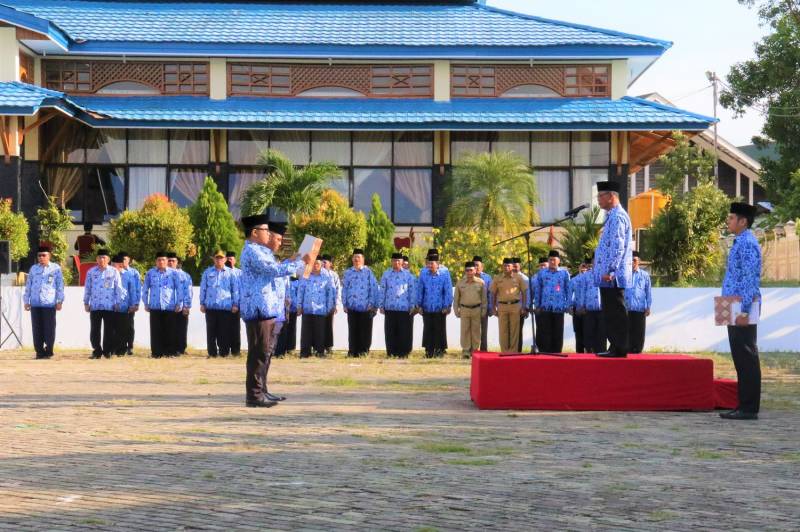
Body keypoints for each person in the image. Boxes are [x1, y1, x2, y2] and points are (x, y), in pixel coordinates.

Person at [239, 214, 307, 407]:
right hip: (258, 309)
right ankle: (254, 396)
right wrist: (301, 262)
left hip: (266, 309)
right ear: (254, 232)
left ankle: (260, 392)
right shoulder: (253, 251)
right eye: (265, 230)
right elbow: (274, 271)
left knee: (262, 353)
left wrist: (294, 262)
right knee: (258, 354)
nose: (268, 234)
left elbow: (275, 270)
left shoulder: (260, 251)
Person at [720, 202, 762, 421]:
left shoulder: (747, 243)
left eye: (731, 218)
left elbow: (749, 278)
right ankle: (743, 404)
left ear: (743, 221)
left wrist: (744, 309)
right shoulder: (740, 241)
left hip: (741, 305)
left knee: (746, 355)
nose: (728, 221)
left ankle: (749, 407)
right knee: (739, 356)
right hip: (733, 303)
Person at [593, 181, 633, 358]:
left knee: (616, 311)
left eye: (600, 196)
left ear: (611, 196)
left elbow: (618, 246)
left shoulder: (617, 217)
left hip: (613, 276)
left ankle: (620, 347)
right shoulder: (611, 216)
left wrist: (610, 271)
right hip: (608, 275)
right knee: (610, 311)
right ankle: (615, 346)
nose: (598, 200)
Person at [23, 245, 64, 359]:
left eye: (43, 255)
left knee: (49, 328)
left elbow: (60, 286)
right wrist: (26, 300)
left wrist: (60, 301)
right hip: (35, 303)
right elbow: (28, 286)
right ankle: (39, 351)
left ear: (49, 256)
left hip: (49, 303)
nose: (41, 257)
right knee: (36, 329)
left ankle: (49, 350)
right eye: (39, 255)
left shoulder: (55, 269)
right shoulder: (33, 269)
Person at [83, 249, 125, 359]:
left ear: (108, 259)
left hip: (110, 305)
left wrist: (118, 302)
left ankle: (108, 351)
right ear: (96, 259)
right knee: (95, 330)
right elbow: (88, 288)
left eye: (104, 258)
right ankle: (96, 350)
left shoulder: (114, 271)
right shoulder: (91, 272)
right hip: (95, 305)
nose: (102, 260)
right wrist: (86, 302)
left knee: (109, 330)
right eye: (100, 257)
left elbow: (118, 288)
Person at [199, 251, 240, 358]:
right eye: (217, 258)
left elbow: (235, 290)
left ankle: (224, 352)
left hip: (225, 307)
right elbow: (203, 289)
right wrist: (202, 303)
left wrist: (235, 304)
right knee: (211, 331)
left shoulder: (231, 273)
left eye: (221, 258)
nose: (219, 260)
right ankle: (212, 353)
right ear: (213, 259)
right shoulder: (207, 273)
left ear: (225, 259)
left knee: (224, 331)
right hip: (211, 307)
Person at [142, 251, 182, 358]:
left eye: (163, 260)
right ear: (156, 261)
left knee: (170, 330)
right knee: (155, 331)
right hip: (155, 306)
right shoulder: (150, 273)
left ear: (167, 261)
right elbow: (145, 288)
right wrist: (146, 302)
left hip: (169, 306)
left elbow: (179, 289)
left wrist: (179, 303)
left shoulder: (174, 273)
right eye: (159, 260)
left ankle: (169, 352)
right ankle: (156, 353)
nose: (161, 262)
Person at [341, 248, 380, 357]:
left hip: (365, 307)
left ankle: (364, 352)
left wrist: (372, 304)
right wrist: (344, 304)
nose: (356, 259)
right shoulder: (348, 272)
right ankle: (352, 351)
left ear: (363, 259)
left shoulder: (368, 272)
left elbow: (373, 288)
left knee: (365, 331)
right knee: (353, 330)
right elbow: (344, 288)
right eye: (354, 257)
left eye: (358, 257)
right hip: (352, 307)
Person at [379, 253, 418, 357]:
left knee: (404, 332)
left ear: (402, 262)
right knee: (390, 332)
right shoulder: (386, 274)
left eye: (398, 261)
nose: (396, 263)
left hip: (404, 308)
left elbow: (412, 291)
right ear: (391, 261)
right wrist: (381, 305)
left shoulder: (408, 275)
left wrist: (412, 305)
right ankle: (391, 352)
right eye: (394, 260)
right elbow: (382, 290)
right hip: (390, 308)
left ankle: (403, 353)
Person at [533, 250, 571, 353]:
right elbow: (538, 289)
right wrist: (537, 304)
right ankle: (546, 353)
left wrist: (568, 305)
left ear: (559, 261)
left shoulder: (564, 273)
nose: (552, 262)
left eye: (554, 260)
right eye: (550, 260)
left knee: (558, 332)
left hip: (559, 308)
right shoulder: (542, 273)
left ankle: (557, 353)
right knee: (545, 332)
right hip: (545, 307)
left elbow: (568, 289)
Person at [297, 258, 336, 358]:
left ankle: (320, 352)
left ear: (322, 264)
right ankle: (305, 352)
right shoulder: (306, 275)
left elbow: (330, 293)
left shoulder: (326, 276)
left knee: (320, 332)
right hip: (307, 308)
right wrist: (299, 306)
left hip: (320, 309)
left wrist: (329, 307)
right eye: (313, 263)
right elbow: (301, 291)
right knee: (306, 332)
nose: (315, 265)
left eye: (317, 263)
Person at [417, 249, 453, 358]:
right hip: (427, 307)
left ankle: (439, 351)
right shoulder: (423, 272)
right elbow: (420, 289)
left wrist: (447, 305)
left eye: (432, 263)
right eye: (429, 263)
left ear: (437, 264)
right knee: (428, 329)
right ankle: (429, 351)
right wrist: (419, 305)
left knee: (440, 329)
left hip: (439, 308)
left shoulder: (444, 272)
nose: (430, 265)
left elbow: (448, 290)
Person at [491, 258, 527, 353]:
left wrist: (523, 307)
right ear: (502, 267)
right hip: (502, 307)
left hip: (515, 306)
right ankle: (504, 351)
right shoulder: (497, 278)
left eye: (508, 266)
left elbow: (524, 292)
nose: (506, 267)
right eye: (505, 266)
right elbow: (493, 293)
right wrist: (493, 307)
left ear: (512, 267)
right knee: (503, 331)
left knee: (514, 330)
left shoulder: (519, 278)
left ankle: (513, 351)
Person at [454, 261, 486, 356]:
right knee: (465, 331)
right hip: (464, 309)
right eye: (467, 270)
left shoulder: (481, 283)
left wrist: (483, 310)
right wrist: (456, 310)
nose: (469, 272)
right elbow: (456, 299)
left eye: (471, 270)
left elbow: (484, 298)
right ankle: (466, 351)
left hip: (476, 309)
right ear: (465, 271)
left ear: (475, 270)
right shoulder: (460, 283)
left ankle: (475, 350)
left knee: (476, 331)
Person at [575, 256, 606, 354]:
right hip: (589, 310)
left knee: (601, 335)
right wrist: (581, 305)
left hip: (602, 310)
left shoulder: (606, 275)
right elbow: (583, 291)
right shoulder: (586, 276)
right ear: (593, 262)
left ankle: (601, 354)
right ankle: (589, 354)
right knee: (589, 335)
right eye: (595, 260)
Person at [625, 251, 652, 354]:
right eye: (631, 260)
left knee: (639, 333)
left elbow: (648, 292)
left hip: (639, 310)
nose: (633, 262)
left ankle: (638, 353)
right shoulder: (625, 275)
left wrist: (648, 306)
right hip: (627, 309)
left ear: (639, 262)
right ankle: (628, 352)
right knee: (627, 333)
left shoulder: (644, 275)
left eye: (635, 260)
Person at [111, 254, 137, 356]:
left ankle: (122, 350)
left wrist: (133, 304)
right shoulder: (110, 274)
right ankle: (112, 348)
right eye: (112, 264)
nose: (112, 266)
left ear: (120, 264)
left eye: (114, 264)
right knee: (112, 329)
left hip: (124, 306)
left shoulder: (129, 275)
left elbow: (132, 291)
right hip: (111, 307)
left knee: (123, 329)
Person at [168, 253, 192, 356]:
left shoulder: (185, 276)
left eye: (173, 261)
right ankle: (170, 349)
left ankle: (181, 349)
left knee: (181, 328)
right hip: (168, 307)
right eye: (169, 260)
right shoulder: (165, 275)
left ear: (177, 263)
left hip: (182, 307)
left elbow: (189, 291)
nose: (170, 263)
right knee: (170, 329)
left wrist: (187, 306)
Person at [120, 252, 140, 355]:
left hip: (130, 304)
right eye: (121, 259)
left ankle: (130, 346)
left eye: (124, 259)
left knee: (129, 326)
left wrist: (136, 304)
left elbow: (137, 289)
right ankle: (120, 347)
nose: (122, 261)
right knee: (118, 326)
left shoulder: (134, 273)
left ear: (129, 260)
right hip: (118, 305)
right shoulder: (116, 271)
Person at [568, 259, 590, 353]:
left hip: (589, 311)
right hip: (577, 311)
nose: (584, 269)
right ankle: (579, 355)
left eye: (586, 267)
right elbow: (569, 295)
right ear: (579, 268)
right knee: (578, 334)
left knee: (589, 334)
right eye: (582, 266)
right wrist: (570, 306)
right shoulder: (574, 280)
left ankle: (589, 354)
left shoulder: (592, 280)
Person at [473, 256, 493, 352]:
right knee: (473, 330)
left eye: (477, 265)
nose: (475, 267)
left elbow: (490, 294)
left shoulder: (487, 278)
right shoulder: (468, 277)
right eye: (474, 265)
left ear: (482, 266)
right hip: (472, 308)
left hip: (483, 308)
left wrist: (490, 308)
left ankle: (484, 349)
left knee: (483, 330)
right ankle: (473, 349)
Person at [321, 254, 340, 354]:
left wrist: (336, 305)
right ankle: (318, 346)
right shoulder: (316, 273)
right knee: (319, 326)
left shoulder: (334, 275)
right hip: (319, 306)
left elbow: (338, 291)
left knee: (329, 326)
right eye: (322, 262)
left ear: (330, 264)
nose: (323, 264)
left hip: (330, 306)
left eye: (325, 262)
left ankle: (328, 346)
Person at [275, 276, 299, 357]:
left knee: (282, 329)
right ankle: (273, 351)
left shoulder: (286, 278)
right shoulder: (271, 276)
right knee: (274, 330)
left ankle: (280, 352)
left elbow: (288, 294)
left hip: (282, 308)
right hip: (273, 307)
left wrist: (288, 308)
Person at [226, 251, 243, 355]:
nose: (229, 261)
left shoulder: (239, 273)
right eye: (227, 259)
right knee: (224, 328)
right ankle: (225, 350)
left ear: (235, 261)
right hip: (225, 305)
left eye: (231, 259)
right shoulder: (222, 272)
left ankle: (236, 351)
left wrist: (238, 303)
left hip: (236, 305)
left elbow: (241, 289)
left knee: (235, 328)